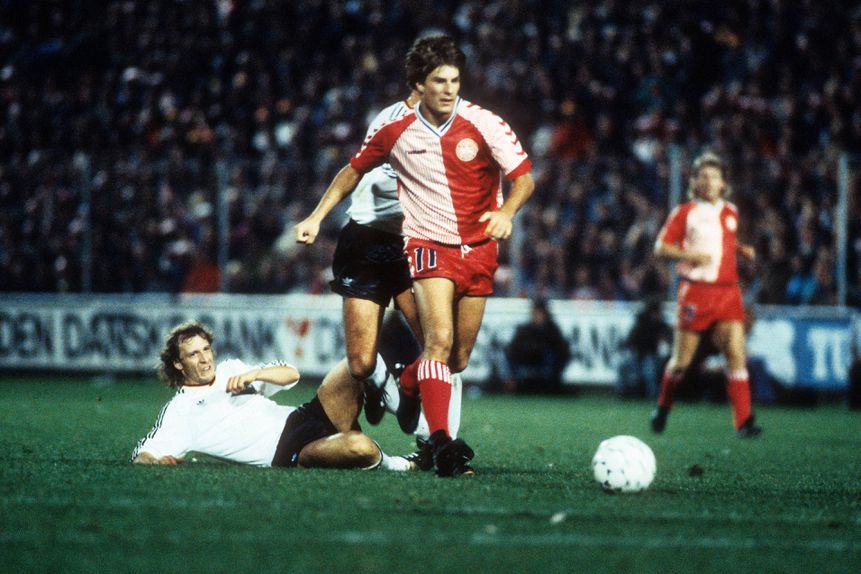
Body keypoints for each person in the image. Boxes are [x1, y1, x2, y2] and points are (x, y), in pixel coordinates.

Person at [295, 35, 534, 476]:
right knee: (420, 347)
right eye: (439, 80)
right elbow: (353, 170)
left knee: (454, 358)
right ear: (418, 84)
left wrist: (505, 213)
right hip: (411, 245)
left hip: (475, 248)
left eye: (454, 80)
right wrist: (315, 218)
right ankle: (440, 444)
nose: (449, 89)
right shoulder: (392, 126)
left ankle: (408, 382)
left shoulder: (483, 123)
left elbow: (524, 178)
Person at [131, 321, 416, 470]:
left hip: (304, 416)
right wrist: (154, 461)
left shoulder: (232, 369)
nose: (205, 359)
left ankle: (403, 415)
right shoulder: (181, 409)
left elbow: (291, 374)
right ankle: (400, 463)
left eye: (206, 349)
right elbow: (143, 453)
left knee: (358, 364)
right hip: (287, 452)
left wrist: (256, 375)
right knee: (360, 447)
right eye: (194, 354)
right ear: (178, 364)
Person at [649, 151, 762, 438]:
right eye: (703, 176)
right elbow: (660, 248)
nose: (708, 181)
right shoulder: (685, 212)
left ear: (723, 183)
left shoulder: (730, 211)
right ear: (695, 182)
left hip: (727, 292)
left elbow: (722, 241)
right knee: (681, 363)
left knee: (735, 354)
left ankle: (744, 422)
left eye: (714, 176)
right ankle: (662, 407)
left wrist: (741, 249)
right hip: (696, 293)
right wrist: (690, 256)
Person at [504, 298, 571, 394]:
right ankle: (513, 384)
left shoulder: (552, 331)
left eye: (541, 314)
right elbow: (513, 350)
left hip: (546, 368)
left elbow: (563, 351)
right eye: (536, 313)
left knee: (551, 356)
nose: (538, 317)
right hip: (526, 364)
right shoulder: (524, 330)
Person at [618, 297, 672, 399]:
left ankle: (652, 395)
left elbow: (668, 338)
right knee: (634, 370)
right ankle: (626, 393)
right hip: (639, 353)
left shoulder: (659, 324)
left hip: (649, 354)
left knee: (649, 373)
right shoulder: (642, 323)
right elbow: (631, 339)